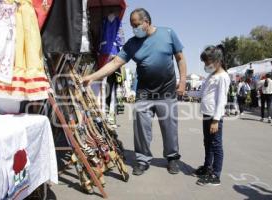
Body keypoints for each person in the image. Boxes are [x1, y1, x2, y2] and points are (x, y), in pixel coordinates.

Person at [82, 8, 187, 176]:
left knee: (169, 128)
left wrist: (182, 82)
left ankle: (172, 158)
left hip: (166, 92)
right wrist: (92, 77)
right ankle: (142, 159)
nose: (134, 29)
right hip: (144, 93)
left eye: (136, 25)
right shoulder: (132, 43)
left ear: (147, 22)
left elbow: (180, 58)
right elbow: (115, 63)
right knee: (141, 130)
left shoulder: (168, 33)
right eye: (132, 26)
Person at [194, 45, 230, 186]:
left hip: (214, 117)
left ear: (217, 61)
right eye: (204, 63)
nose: (205, 65)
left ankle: (216, 174)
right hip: (207, 114)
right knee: (207, 143)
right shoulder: (211, 75)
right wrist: (184, 92)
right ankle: (207, 167)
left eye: (207, 63)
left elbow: (222, 100)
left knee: (216, 145)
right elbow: (201, 93)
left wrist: (216, 120)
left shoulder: (223, 77)